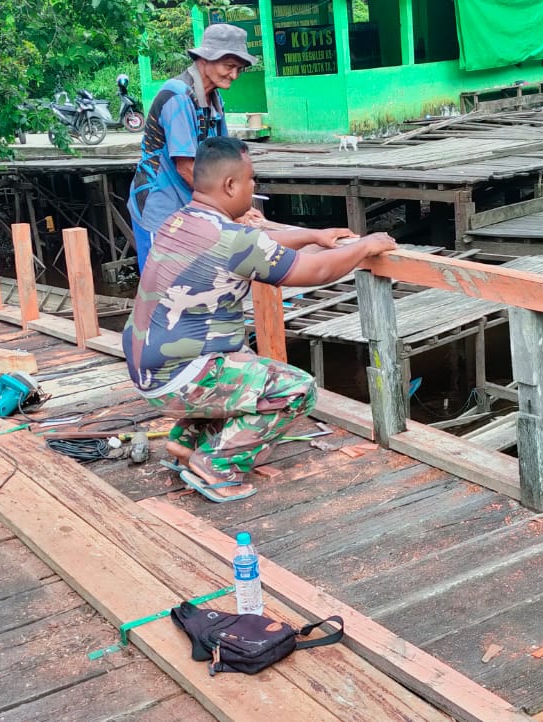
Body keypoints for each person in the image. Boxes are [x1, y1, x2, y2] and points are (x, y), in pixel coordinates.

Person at [123, 137, 396, 501]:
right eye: (251, 180)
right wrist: (365, 245)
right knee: (294, 388)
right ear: (230, 185)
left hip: (147, 372)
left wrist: (313, 235)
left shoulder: (180, 221)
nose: (254, 188)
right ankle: (216, 465)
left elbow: (263, 245)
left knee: (244, 362)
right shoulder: (233, 239)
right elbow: (313, 271)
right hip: (181, 377)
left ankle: (185, 441)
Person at [128, 23, 255, 275]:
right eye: (228, 66)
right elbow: (187, 168)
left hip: (191, 204)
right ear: (204, 59)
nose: (234, 75)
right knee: (160, 286)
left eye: (238, 69)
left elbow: (226, 159)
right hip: (159, 204)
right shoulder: (178, 96)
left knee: (192, 282)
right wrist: (229, 209)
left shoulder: (215, 99)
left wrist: (244, 207)